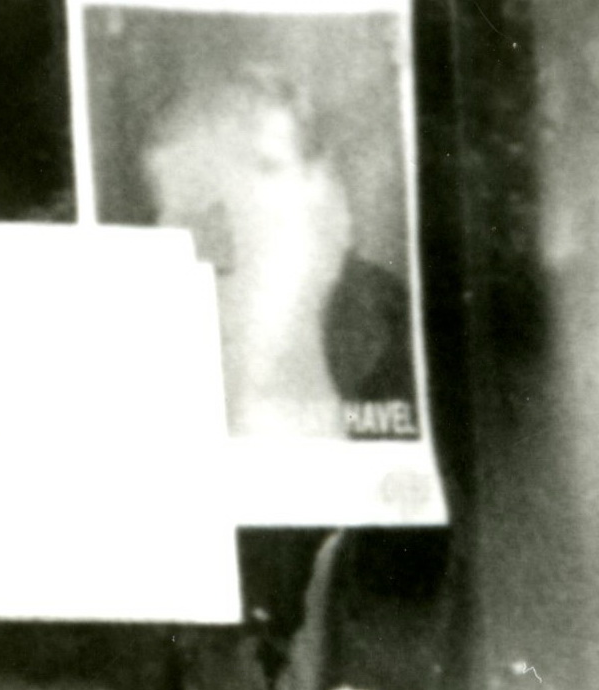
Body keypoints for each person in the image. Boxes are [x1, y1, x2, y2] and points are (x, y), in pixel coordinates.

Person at [134, 48, 419, 446]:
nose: (229, 235)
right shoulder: (143, 381)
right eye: (190, 211)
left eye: (261, 172)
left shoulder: (404, 341)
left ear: (333, 203)